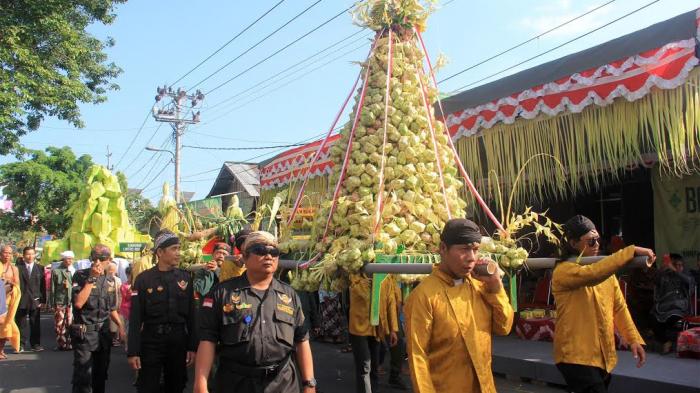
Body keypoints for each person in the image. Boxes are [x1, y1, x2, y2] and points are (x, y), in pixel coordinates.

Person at [194, 230, 316, 393]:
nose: (268, 256)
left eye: (274, 251)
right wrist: (200, 384)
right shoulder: (222, 293)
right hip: (236, 383)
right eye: (260, 250)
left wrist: (309, 383)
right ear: (244, 257)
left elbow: (302, 340)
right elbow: (207, 340)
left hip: (283, 383)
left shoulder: (289, 294)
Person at [404, 218, 514, 393]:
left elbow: (504, 328)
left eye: (475, 249)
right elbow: (418, 358)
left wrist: (496, 288)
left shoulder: (480, 286)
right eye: (464, 249)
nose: (471, 258)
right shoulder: (423, 296)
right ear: (443, 249)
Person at [552, 215, 653, 393]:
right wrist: (630, 251)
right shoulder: (563, 271)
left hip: (603, 356)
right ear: (573, 243)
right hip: (575, 356)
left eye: (599, 239)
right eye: (591, 241)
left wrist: (633, 339)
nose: (597, 244)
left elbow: (619, 308)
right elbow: (592, 275)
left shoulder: (605, 271)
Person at [127, 230, 197, 393]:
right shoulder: (144, 279)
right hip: (151, 341)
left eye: (179, 248)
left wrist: (192, 347)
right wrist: (133, 352)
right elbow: (136, 317)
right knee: (148, 385)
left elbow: (192, 315)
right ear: (160, 252)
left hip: (178, 341)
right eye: (174, 249)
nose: (178, 253)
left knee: (176, 384)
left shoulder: (185, 278)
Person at [71, 244, 126, 393]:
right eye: (94, 258)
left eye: (102, 259)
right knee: (83, 376)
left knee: (101, 374)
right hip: (85, 335)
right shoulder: (80, 276)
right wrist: (92, 279)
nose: (98, 262)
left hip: (103, 334)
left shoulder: (109, 280)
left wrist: (121, 328)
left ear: (109, 260)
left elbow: (112, 309)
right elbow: (78, 303)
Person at [651, 253, 695, 354]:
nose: (679, 267)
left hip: (680, 306)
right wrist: (662, 269)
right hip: (664, 305)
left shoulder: (686, 275)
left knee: (671, 317)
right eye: (676, 265)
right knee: (653, 317)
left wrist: (675, 271)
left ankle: (670, 342)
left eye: (681, 265)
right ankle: (666, 341)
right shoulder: (666, 274)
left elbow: (690, 283)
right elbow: (656, 281)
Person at [15, 246, 46, 352]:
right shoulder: (18, 268)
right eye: (27, 254)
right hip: (21, 299)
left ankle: (36, 344)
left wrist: (43, 301)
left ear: (35, 255)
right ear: (23, 256)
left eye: (32, 254)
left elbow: (43, 285)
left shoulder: (40, 268)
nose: (30, 256)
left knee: (35, 323)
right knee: (20, 323)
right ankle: (20, 344)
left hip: (35, 300)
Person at [49, 250, 76, 351]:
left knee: (71, 323)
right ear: (63, 259)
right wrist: (52, 303)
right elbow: (52, 289)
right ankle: (61, 344)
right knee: (59, 324)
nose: (69, 261)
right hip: (60, 301)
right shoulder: (56, 271)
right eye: (67, 259)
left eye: (71, 259)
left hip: (72, 301)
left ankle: (70, 343)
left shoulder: (75, 270)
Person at [0, 245, 20, 359]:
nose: (7, 255)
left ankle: (1, 349)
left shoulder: (14, 269)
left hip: (8, 302)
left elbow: (17, 285)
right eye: (5, 252)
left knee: (6, 326)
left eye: (9, 253)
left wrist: (9, 283)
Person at [107, 263, 122, 346]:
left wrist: (119, 304)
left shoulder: (118, 280)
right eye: (110, 271)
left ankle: (115, 339)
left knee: (115, 322)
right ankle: (109, 339)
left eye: (113, 271)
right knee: (108, 323)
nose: (112, 273)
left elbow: (120, 294)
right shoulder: (103, 279)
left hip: (114, 303)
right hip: (105, 304)